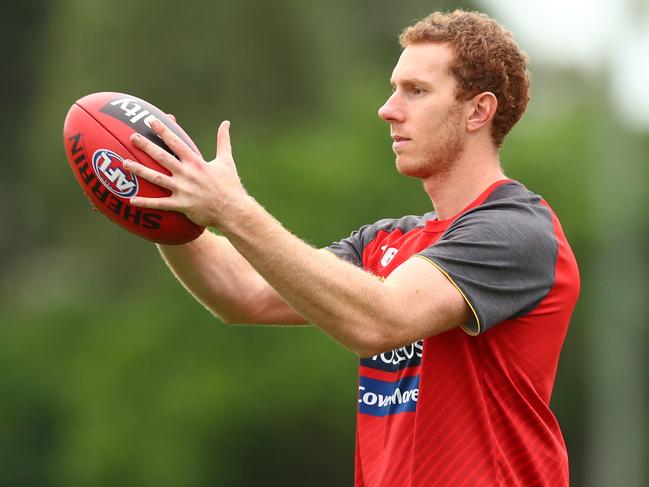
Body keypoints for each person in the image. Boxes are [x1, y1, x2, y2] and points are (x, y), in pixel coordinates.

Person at [122, 9, 580, 487]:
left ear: (478, 111)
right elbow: (241, 290)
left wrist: (232, 209)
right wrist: (162, 203)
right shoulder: (387, 241)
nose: (388, 109)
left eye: (416, 91)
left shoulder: (515, 229)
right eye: (394, 87)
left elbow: (381, 319)